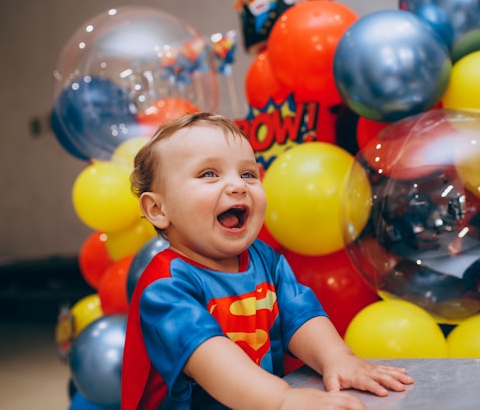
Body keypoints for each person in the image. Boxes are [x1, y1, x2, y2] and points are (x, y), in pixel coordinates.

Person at [121, 112, 414, 410]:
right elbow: (211, 357)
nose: (238, 186)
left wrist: (337, 358)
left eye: (248, 174)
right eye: (209, 174)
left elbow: (301, 316)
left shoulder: (264, 259)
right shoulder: (165, 287)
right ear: (158, 209)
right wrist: (282, 399)